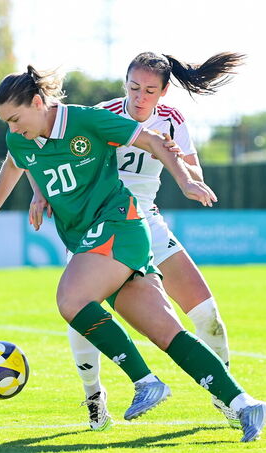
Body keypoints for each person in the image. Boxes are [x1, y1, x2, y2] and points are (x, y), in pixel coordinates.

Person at [0, 66, 266, 442]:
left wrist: (185, 181)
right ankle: (246, 405)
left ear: (37, 102)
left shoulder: (87, 120)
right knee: (166, 332)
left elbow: (154, 141)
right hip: (91, 239)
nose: (12, 129)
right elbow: (17, 163)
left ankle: (144, 381)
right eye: (6, 122)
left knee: (71, 298)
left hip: (120, 222)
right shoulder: (20, 138)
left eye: (15, 119)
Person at [28, 51, 244, 432]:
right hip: (98, 223)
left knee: (207, 313)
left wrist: (180, 162)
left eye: (148, 91)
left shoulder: (173, 121)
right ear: (123, 85)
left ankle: (225, 395)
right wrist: (38, 193)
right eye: (132, 87)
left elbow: (193, 170)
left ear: (162, 93)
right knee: (80, 312)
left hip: (148, 221)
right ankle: (94, 397)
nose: (139, 97)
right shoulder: (103, 113)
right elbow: (36, 148)